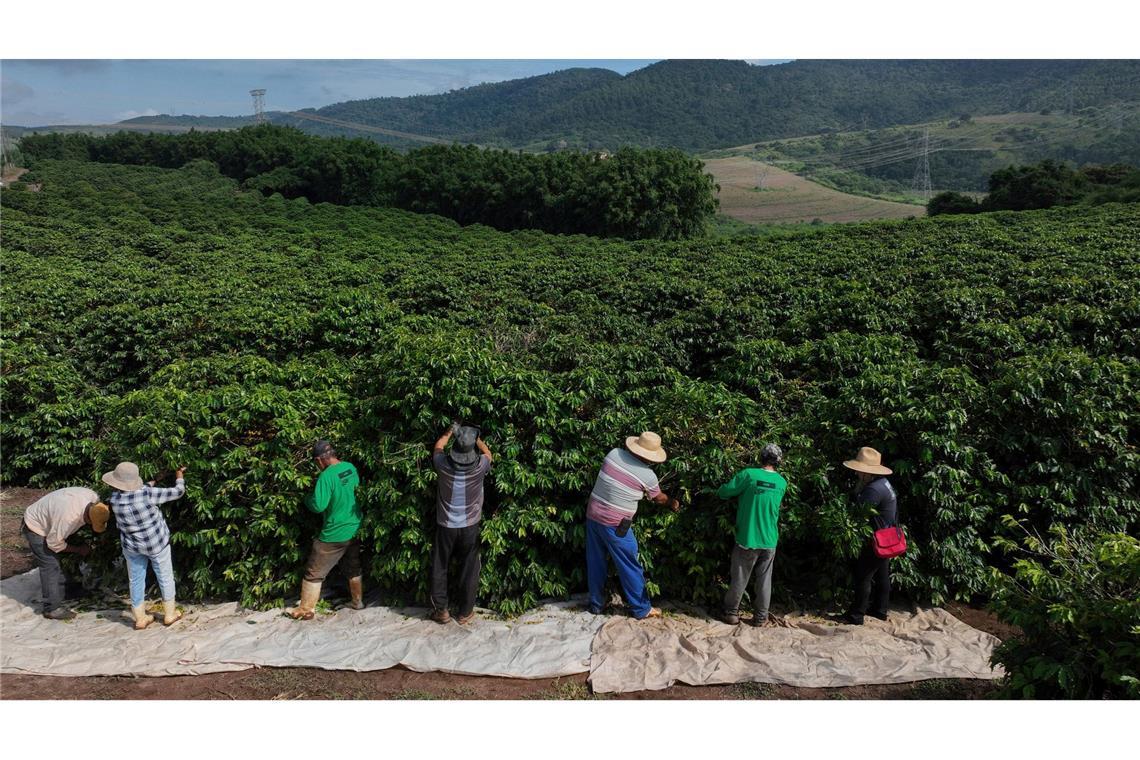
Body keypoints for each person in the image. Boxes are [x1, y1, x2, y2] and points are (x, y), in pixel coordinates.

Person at [585, 431, 680, 620]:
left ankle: (596, 604)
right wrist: (672, 502)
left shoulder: (613, 454)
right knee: (630, 564)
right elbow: (658, 498)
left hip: (593, 515)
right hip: (616, 524)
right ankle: (641, 608)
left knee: (595, 561)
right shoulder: (648, 476)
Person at [104, 461, 187, 630]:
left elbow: (137, 491)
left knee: (135, 580)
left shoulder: (114, 500)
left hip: (132, 547)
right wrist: (179, 475)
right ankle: (170, 615)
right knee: (165, 577)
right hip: (157, 543)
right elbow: (178, 492)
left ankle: (140, 618)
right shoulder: (147, 494)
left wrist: (154, 480)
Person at [289, 440, 363, 620]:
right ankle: (357, 602)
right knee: (353, 566)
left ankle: (306, 609)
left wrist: (306, 499)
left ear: (320, 460)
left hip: (334, 532)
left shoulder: (326, 476)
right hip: (354, 527)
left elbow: (318, 506)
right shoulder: (350, 467)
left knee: (314, 572)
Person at [428, 422, 493, 625]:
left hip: (446, 525)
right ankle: (465, 613)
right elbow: (489, 453)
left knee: (440, 565)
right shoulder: (481, 465)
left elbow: (438, 446)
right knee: (469, 567)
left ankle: (441, 610)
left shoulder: (442, 465)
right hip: (470, 526)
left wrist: (450, 432)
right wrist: (475, 439)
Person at [716, 443, 788, 626]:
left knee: (740, 577)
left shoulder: (748, 475)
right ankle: (761, 618)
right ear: (778, 462)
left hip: (748, 538)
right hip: (770, 539)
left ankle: (731, 613)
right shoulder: (781, 482)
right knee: (764, 580)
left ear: (760, 457)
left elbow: (725, 492)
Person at [21, 487, 111, 620]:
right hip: (35, 527)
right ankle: (52, 608)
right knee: (50, 565)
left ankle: (71, 590)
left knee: (67, 556)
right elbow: (54, 544)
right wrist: (79, 549)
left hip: (53, 519)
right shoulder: (68, 519)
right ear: (87, 517)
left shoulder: (93, 498)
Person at [839, 446, 898, 625]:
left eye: (858, 471)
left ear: (866, 473)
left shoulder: (872, 489)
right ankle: (880, 610)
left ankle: (856, 615)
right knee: (881, 574)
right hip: (887, 535)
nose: (856, 473)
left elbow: (860, 513)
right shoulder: (884, 484)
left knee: (863, 576)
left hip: (875, 538)